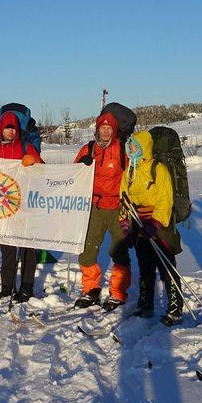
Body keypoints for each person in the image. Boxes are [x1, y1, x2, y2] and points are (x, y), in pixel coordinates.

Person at [120, 129, 184, 325]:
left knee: (166, 265)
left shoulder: (159, 169)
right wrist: (124, 221)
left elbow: (166, 199)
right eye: (129, 146)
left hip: (158, 225)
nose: (131, 149)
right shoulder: (129, 171)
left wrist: (156, 222)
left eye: (134, 146)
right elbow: (123, 198)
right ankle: (145, 303)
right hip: (139, 224)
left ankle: (175, 307)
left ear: (144, 147)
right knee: (145, 265)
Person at [73, 111, 132, 310]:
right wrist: (81, 166)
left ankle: (117, 293)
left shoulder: (122, 150)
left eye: (109, 129)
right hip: (94, 207)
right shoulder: (88, 149)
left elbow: (133, 176)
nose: (105, 132)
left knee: (119, 250)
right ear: (97, 130)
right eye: (102, 128)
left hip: (117, 207)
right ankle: (90, 290)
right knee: (88, 250)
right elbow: (72, 175)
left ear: (114, 131)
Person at [0, 110, 43, 302]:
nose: (10, 132)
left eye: (13, 129)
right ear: (1, 129)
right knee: (7, 249)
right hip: (3, 206)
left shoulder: (26, 146)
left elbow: (41, 168)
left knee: (28, 248)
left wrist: (34, 160)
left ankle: (27, 287)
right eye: (7, 129)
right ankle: (7, 287)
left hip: (26, 204)